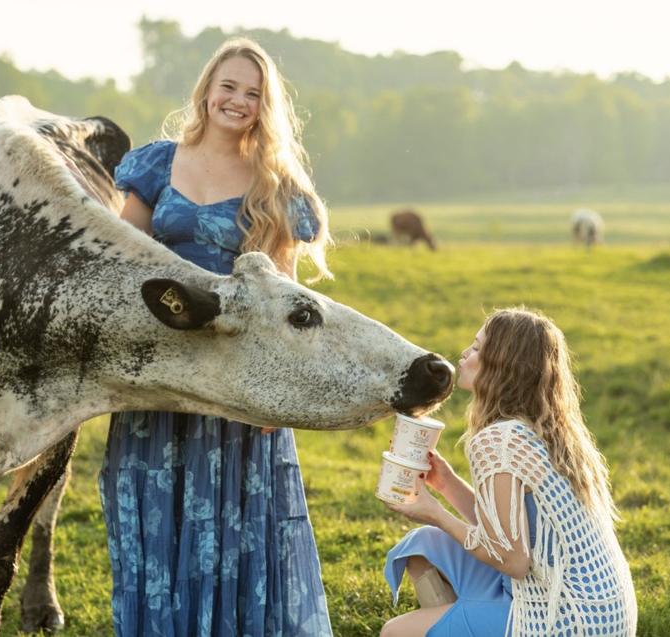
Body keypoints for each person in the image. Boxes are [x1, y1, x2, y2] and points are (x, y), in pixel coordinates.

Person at [98, 37, 334, 636]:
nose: (238, 101)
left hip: (237, 377)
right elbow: (122, 264)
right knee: (157, 516)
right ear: (206, 89)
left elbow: (284, 293)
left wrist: (280, 387)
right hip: (162, 372)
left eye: (253, 94)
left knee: (237, 520)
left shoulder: (273, 185)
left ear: (264, 107)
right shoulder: (154, 164)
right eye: (228, 87)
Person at [381, 308, 637, 636]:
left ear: (501, 366)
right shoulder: (546, 429)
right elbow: (507, 528)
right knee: (424, 545)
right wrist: (447, 484)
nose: (464, 354)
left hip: (564, 618)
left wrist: (435, 513)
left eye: (476, 349)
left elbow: (513, 560)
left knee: (394, 632)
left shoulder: (497, 439)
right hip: (610, 615)